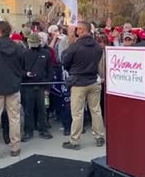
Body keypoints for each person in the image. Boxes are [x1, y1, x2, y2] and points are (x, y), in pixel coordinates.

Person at [62, 21, 105, 150]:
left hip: (78, 82)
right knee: (96, 110)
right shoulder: (97, 47)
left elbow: (65, 62)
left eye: (77, 29)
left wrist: (73, 69)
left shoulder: (75, 46)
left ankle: (75, 141)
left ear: (81, 30)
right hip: (93, 80)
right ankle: (99, 136)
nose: (76, 31)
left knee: (77, 113)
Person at [0, 21, 25, 160]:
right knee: (14, 118)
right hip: (13, 86)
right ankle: (15, 147)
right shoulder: (18, 47)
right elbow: (23, 64)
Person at [21, 33, 54, 142]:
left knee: (43, 109)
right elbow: (19, 70)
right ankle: (28, 131)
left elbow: (50, 71)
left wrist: (48, 87)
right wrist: (26, 74)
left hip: (42, 85)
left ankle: (43, 129)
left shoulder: (46, 53)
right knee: (28, 110)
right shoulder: (24, 53)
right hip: (27, 86)